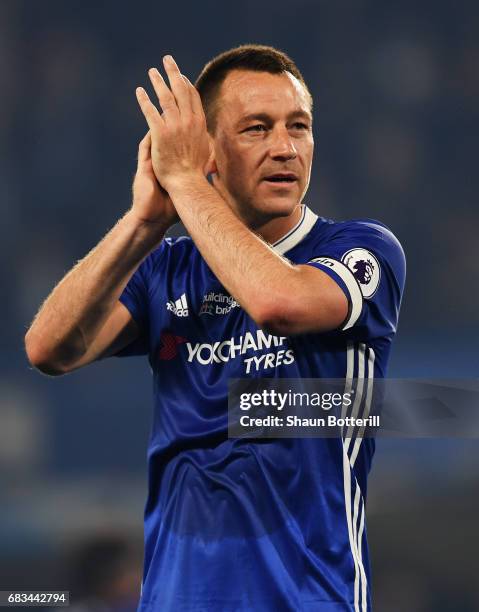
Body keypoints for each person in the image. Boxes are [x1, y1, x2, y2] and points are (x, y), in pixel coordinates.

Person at [25, 45, 405, 612]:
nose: (285, 148)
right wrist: (143, 222)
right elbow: (49, 348)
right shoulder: (166, 270)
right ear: (210, 151)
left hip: (307, 600)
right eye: (256, 129)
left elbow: (280, 302)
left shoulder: (359, 248)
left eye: (298, 127)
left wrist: (188, 183)